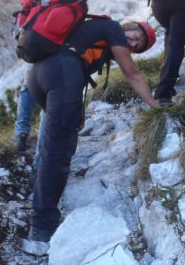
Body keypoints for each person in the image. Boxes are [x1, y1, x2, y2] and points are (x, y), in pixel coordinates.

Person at [26, 19, 159, 243]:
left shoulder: (97, 32)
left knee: (58, 142)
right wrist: (157, 107)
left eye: (138, 45)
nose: (134, 43)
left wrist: (77, 112)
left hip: (39, 75)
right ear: (129, 27)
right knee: (58, 152)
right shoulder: (113, 29)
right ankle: (42, 228)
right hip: (61, 75)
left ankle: (39, 189)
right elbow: (133, 75)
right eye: (136, 36)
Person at [14, 0, 82, 166]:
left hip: (34, 48)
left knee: (28, 88)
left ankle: (21, 131)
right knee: (49, 108)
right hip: (57, 50)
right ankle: (39, 163)